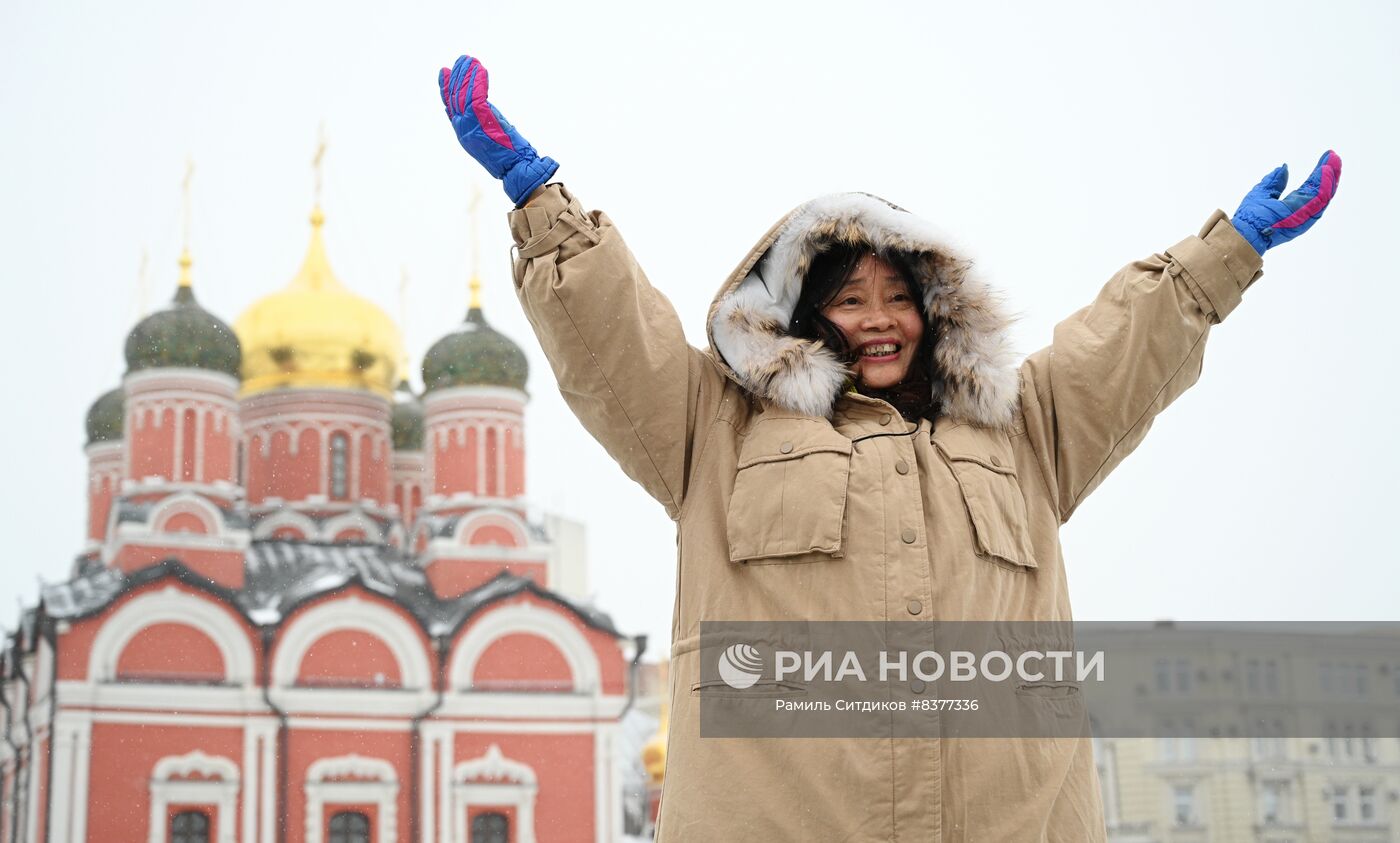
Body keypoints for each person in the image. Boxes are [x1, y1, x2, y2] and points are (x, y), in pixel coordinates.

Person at [437, 54, 1340, 842]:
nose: (879, 319)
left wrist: (1226, 253)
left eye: (899, 295)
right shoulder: (718, 430)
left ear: (935, 310)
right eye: (848, 296)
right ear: (800, 315)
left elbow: (1120, 347)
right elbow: (616, 344)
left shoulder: (1020, 432)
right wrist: (541, 207)